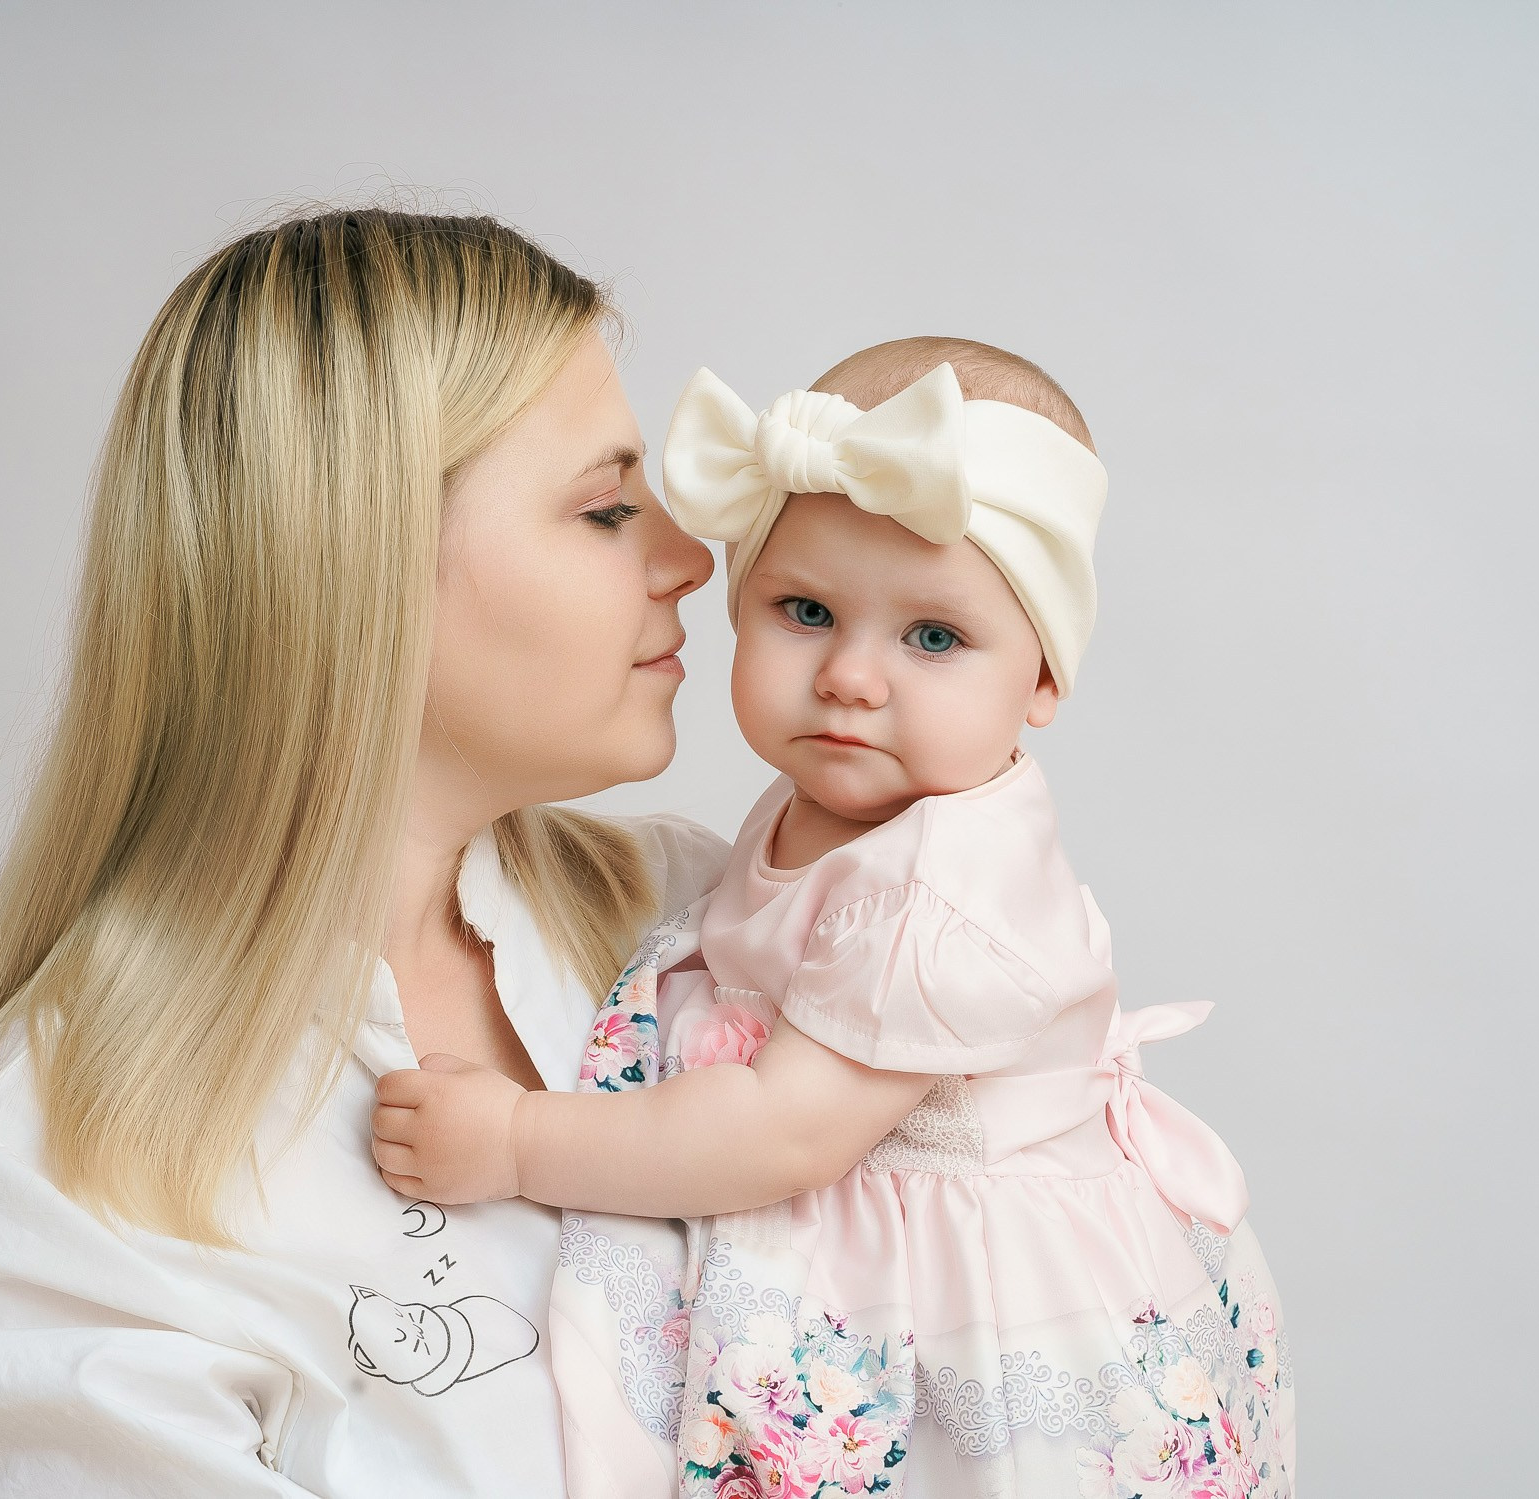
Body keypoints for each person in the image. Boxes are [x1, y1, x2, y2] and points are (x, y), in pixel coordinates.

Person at [0, 207, 727, 1496]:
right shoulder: (34, 1214)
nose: (691, 559)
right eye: (607, 508)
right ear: (362, 559)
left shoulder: (713, 923)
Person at [372, 338, 1297, 1496]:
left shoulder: (942, 883)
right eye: (805, 609)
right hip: (873, 1256)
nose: (853, 677)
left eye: (932, 637)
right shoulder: (842, 798)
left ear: (1043, 678)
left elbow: (778, 1131)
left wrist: (515, 1141)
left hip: (990, 1321)